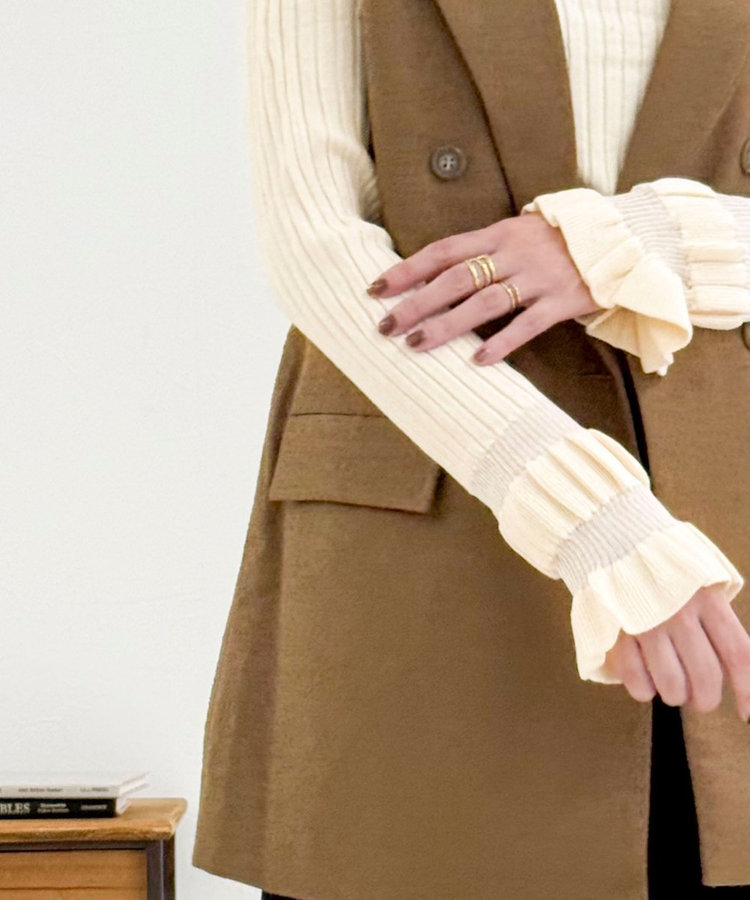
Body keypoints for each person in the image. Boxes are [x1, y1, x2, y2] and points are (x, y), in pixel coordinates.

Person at [192, 0, 750, 896]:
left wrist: (635, 242)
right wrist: (595, 517)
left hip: (722, 483)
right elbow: (313, 243)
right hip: (437, 473)